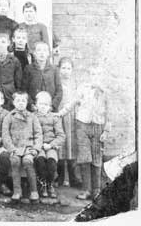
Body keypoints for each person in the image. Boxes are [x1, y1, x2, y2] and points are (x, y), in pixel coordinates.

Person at [56, 66, 110, 200]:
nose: (94, 77)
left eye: (97, 74)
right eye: (92, 74)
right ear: (88, 75)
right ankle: (86, 189)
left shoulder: (105, 92)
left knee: (96, 158)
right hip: (82, 125)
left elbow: (110, 113)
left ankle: (96, 190)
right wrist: (60, 114)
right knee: (85, 157)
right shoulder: (83, 88)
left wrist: (106, 131)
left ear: (102, 76)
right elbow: (72, 102)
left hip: (98, 126)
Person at [2, 91, 42, 201]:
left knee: (28, 161)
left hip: (29, 148)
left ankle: (34, 191)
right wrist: (11, 148)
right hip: (15, 147)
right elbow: (5, 135)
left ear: (27, 102)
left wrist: (36, 149)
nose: (20, 103)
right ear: (13, 102)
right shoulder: (9, 117)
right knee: (15, 161)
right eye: (18, 101)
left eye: (23, 101)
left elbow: (38, 134)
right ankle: (17, 191)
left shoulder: (32, 117)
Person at [34, 91, 65, 198]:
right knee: (40, 161)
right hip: (38, 146)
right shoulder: (32, 117)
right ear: (36, 105)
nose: (43, 107)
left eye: (46, 104)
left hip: (51, 146)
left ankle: (50, 185)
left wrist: (51, 145)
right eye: (41, 104)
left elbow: (61, 136)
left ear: (50, 106)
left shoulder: (55, 118)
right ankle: (42, 185)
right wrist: (38, 145)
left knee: (51, 163)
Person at [57, 57, 82, 187]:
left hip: (71, 116)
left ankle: (73, 177)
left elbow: (78, 100)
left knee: (71, 144)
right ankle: (60, 176)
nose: (66, 71)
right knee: (60, 144)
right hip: (59, 115)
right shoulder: (56, 82)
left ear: (72, 70)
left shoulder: (75, 83)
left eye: (68, 68)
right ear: (59, 69)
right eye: (63, 68)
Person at [21, 41, 62, 112]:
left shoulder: (54, 69)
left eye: (45, 50)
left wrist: (52, 106)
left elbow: (59, 91)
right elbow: (24, 90)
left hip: (50, 110)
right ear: (34, 53)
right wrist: (31, 105)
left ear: (48, 53)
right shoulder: (28, 69)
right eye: (39, 50)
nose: (42, 53)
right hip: (34, 110)